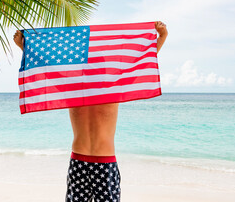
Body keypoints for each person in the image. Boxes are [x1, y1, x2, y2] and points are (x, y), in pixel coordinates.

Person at [13, 21, 168, 202]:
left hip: (104, 162)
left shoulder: (114, 87)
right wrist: (24, 48)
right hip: (79, 161)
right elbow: (48, 70)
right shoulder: (74, 89)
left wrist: (162, 38)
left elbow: (139, 63)